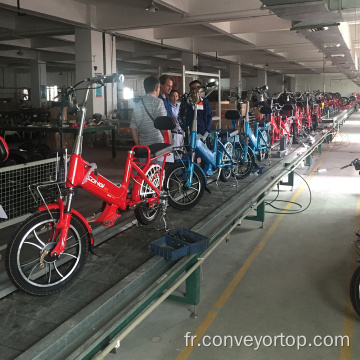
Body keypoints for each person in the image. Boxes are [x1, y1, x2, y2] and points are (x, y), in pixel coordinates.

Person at [130, 75, 167, 149]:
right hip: (158, 145)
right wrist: (168, 143)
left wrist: (138, 145)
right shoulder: (158, 102)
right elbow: (164, 125)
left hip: (144, 146)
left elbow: (133, 128)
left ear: (145, 88)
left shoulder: (138, 104)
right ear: (157, 88)